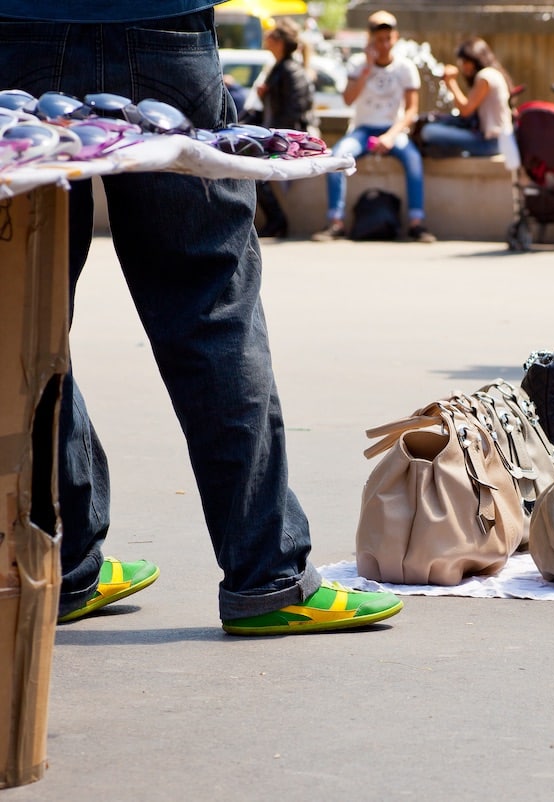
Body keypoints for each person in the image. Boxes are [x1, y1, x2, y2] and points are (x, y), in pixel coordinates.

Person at [0, 5, 404, 635]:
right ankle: (266, 578)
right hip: (159, 26)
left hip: (17, 31)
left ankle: (67, 556)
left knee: (25, 312)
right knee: (211, 306)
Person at [313, 10, 434, 243]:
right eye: (379, 39)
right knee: (337, 156)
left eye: (388, 38)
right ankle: (335, 221)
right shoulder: (358, 65)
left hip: (392, 130)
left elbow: (411, 111)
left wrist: (390, 136)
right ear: (370, 39)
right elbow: (348, 99)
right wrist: (367, 70)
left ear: (396, 37)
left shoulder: (405, 67)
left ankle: (416, 223)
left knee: (413, 159)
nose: (385, 44)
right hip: (362, 129)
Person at [254, 17, 316, 239]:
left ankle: (277, 220)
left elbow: (296, 110)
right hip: (278, 134)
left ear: (279, 41)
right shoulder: (279, 67)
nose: (265, 37)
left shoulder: (290, 70)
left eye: (270, 34)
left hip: (289, 139)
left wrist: (273, 139)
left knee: (254, 170)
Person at [422, 36, 515, 159]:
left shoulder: (485, 76)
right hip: (497, 141)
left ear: (476, 59)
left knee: (429, 131)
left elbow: (466, 110)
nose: (463, 66)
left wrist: (451, 83)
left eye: (466, 62)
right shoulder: (493, 73)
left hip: (491, 143)